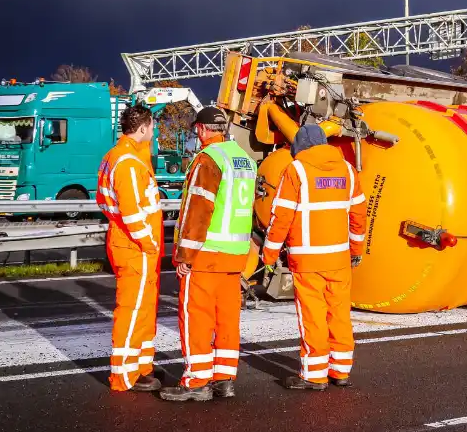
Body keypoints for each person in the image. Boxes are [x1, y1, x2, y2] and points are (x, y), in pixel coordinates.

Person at [160, 107, 257, 402]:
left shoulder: (208, 160)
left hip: (206, 255)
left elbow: (197, 211)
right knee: (227, 319)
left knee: (197, 317)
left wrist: (184, 255)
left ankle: (196, 381)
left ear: (201, 129)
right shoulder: (245, 159)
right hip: (235, 255)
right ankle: (224, 379)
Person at [263, 124, 367, 390]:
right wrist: (355, 250)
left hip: (307, 259)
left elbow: (281, 216)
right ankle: (340, 370)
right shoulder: (348, 170)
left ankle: (314, 375)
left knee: (313, 316)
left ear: (300, 147)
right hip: (339, 259)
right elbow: (358, 216)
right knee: (339, 314)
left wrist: (270, 252)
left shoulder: (296, 170)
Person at [96, 104, 164, 392]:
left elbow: (103, 200)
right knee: (133, 310)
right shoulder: (127, 162)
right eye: (152, 127)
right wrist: (148, 244)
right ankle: (123, 376)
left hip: (129, 243)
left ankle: (141, 366)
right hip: (135, 246)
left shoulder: (116, 157)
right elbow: (132, 212)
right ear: (142, 129)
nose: (154, 131)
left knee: (143, 308)